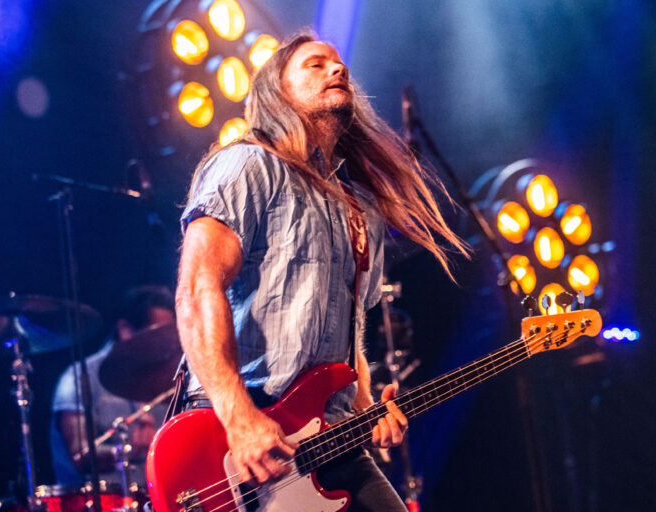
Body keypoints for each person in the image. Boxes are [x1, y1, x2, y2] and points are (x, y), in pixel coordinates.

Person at [176, 32, 468, 511]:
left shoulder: (360, 210)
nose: (337, 71)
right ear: (278, 92)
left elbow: (351, 335)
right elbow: (196, 287)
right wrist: (239, 418)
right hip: (242, 432)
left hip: (331, 440)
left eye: (340, 67)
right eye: (316, 65)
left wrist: (367, 410)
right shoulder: (248, 165)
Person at [50, 285, 175, 486]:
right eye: (155, 334)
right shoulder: (79, 377)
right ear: (125, 329)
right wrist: (128, 449)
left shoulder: (170, 376)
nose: (166, 343)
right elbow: (79, 456)